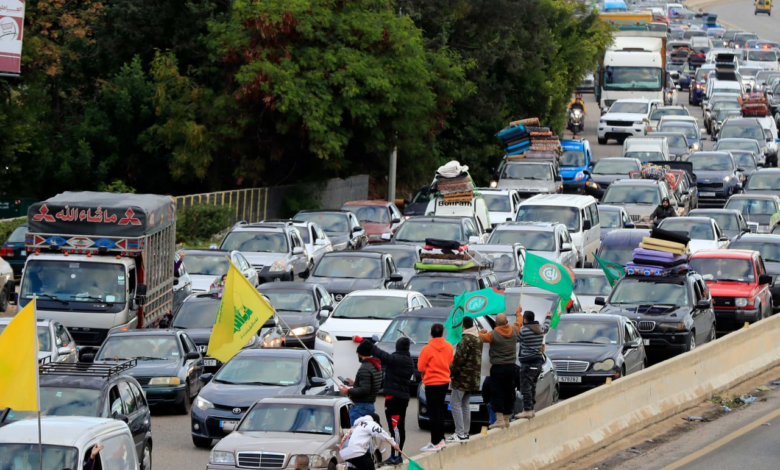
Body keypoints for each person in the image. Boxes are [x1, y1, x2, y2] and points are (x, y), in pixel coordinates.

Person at [351, 335, 414, 467]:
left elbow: (378, 352)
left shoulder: (397, 359)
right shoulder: (407, 360)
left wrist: (361, 340)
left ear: (397, 346)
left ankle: (396, 457)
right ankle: (396, 455)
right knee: (399, 428)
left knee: (395, 428)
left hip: (394, 400)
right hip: (402, 398)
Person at [478, 313, 521, 429]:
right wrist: (519, 313)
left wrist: (482, 331)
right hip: (511, 367)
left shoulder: (492, 334)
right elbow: (519, 323)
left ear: (496, 323)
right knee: (509, 392)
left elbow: (480, 338)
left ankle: (500, 419)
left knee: (497, 393)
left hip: (498, 368)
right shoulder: (514, 331)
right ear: (507, 322)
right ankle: (507, 419)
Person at [417, 323, 453, 452]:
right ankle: (441, 439)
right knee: (440, 410)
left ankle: (435, 441)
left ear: (431, 334)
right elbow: (450, 361)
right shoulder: (448, 346)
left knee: (433, 412)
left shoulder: (427, 349)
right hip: (444, 382)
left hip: (432, 383)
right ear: (442, 333)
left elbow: (420, 367)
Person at [447, 317, 482, 443]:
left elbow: (458, 360)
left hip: (462, 378)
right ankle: (465, 433)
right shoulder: (478, 339)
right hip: (473, 379)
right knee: (465, 405)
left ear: (463, 326)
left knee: (455, 403)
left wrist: (450, 373)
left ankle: (459, 433)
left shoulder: (465, 340)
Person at [514, 308, 552, 419]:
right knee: (532, 386)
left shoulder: (524, 331)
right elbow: (546, 327)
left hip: (527, 363)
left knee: (526, 388)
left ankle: (527, 410)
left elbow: (515, 339)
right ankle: (531, 407)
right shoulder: (540, 329)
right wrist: (548, 317)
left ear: (525, 319)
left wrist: (518, 321)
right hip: (538, 362)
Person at [339, 339, 382, 425]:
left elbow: (364, 390)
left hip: (361, 407)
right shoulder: (375, 365)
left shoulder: (365, 368)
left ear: (360, 353)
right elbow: (370, 384)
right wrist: (355, 384)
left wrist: (347, 391)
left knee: (356, 434)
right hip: (369, 405)